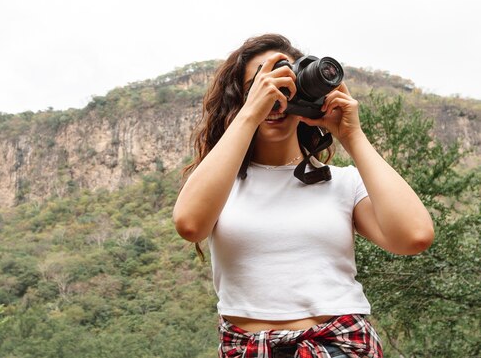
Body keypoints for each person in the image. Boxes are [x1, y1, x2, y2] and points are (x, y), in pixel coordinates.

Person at [173, 34, 434, 358]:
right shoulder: (219, 185)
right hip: (249, 349)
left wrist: (351, 136)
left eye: (285, 84)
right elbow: (189, 224)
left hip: (340, 346)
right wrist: (250, 113)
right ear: (241, 97)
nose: (274, 96)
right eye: (261, 85)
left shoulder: (343, 182)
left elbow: (415, 236)